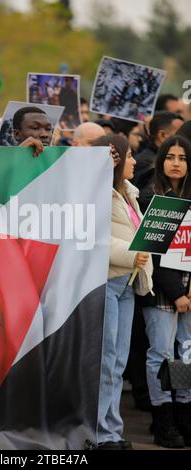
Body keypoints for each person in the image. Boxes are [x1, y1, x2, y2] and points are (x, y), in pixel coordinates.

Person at [93, 135, 153, 450]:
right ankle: (102, 433)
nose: (135, 161)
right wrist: (133, 254)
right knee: (106, 361)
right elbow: (95, 235)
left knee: (118, 361)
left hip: (127, 284)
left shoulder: (129, 193)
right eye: (129, 156)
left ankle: (112, 430)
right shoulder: (97, 193)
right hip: (107, 281)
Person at [139, 135, 191, 448]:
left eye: (182, 157)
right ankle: (163, 419)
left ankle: (184, 415)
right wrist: (177, 294)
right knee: (161, 354)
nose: (175, 163)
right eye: (170, 156)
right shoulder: (150, 198)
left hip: (189, 290)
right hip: (161, 291)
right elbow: (152, 257)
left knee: (185, 354)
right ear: (161, 161)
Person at [134, 112, 184, 212]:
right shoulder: (148, 163)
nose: (176, 164)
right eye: (180, 135)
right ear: (162, 135)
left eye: (182, 159)